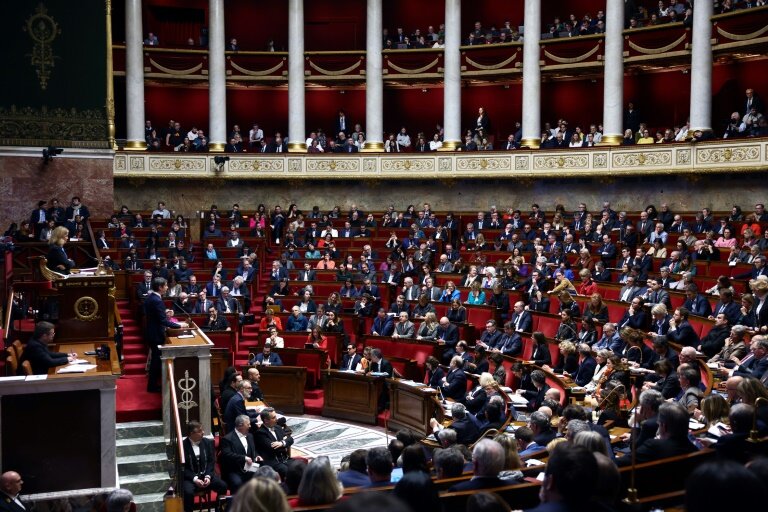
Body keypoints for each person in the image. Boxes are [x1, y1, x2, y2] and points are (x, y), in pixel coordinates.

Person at [145, 277, 187, 392]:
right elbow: (162, 321)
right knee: (156, 361)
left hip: (151, 332)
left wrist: (164, 313)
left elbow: (156, 315)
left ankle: (152, 385)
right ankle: (152, 386)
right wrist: (179, 326)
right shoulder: (157, 300)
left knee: (155, 360)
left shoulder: (151, 298)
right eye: (166, 285)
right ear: (160, 287)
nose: (167, 287)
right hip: (156, 334)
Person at [182, 421, 227, 512]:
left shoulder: (206, 442)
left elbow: (211, 462)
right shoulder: (183, 445)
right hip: (191, 478)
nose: (203, 432)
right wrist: (195, 479)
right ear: (191, 433)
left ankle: (218, 509)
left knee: (223, 486)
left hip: (206, 475)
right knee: (187, 492)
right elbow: (183, 468)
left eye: (202, 430)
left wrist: (208, 476)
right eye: (199, 431)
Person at [220, 415, 260, 493]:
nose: (250, 426)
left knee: (262, 478)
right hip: (235, 470)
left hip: (250, 468)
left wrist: (257, 456)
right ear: (240, 425)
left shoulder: (250, 436)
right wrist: (244, 458)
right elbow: (227, 454)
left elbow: (253, 450)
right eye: (248, 424)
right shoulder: (227, 439)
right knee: (237, 483)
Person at [254, 407, 293, 479]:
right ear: (266, 421)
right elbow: (273, 448)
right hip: (274, 462)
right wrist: (285, 442)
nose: (276, 419)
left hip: (285, 458)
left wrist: (282, 443)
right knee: (287, 471)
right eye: (274, 417)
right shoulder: (260, 433)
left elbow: (291, 439)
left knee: (300, 467)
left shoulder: (277, 427)